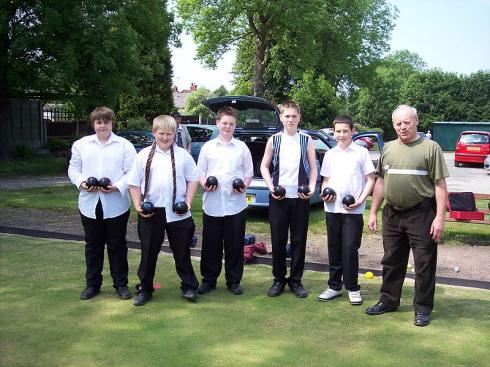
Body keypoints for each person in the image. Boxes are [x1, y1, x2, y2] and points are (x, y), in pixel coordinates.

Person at [366, 105, 448, 327]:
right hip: (392, 214)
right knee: (391, 261)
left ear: (416, 121)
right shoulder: (388, 148)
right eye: (398, 123)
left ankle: (422, 309)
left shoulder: (431, 148)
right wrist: (373, 211)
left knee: (424, 264)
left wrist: (439, 217)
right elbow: (380, 182)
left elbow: (440, 184)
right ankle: (389, 301)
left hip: (421, 214)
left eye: (407, 122)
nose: (403, 127)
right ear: (393, 125)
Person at [127, 115, 200, 306]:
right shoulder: (142, 155)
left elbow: (193, 179)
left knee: (182, 252)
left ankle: (189, 286)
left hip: (179, 212)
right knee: (148, 252)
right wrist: (137, 205)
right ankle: (145, 289)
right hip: (151, 212)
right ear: (154, 133)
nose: (165, 138)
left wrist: (188, 202)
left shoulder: (184, 155)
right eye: (161, 134)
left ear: (175, 134)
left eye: (169, 134)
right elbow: (133, 184)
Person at [68, 106, 136, 301]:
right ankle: (92, 285)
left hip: (116, 203)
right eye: (99, 122)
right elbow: (74, 169)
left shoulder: (124, 145)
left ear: (111, 123)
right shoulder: (81, 145)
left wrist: (117, 186)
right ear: (93, 124)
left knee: (117, 245)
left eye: (106, 122)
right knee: (93, 245)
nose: (103, 125)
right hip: (89, 203)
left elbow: (131, 172)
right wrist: (81, 183)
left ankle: (121, 285)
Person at [260, 100, 317, 298]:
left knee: (299, 240)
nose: (290, 119)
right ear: (281, 118)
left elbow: (314, 167)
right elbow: (264, 167)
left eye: (294, 116)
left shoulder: (306, 140)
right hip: (279, 197)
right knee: (278, 240)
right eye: (287, 116)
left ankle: (296, 281)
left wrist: (310, 187)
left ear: (299, 117)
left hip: (300, 198)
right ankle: (278, 280)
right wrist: (270, 187)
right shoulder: (274, 140)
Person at [318, 115, 375, 305]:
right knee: (334, 248)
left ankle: (352, 288)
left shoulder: (361, 153)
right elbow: (325, 180)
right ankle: (334, 286)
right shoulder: (330, 154)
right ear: (333, 132)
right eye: (338, 131)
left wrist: (360, 200)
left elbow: (371, 179)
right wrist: (323, 193)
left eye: (345, 131)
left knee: (350, 249)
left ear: (352, 132)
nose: (341, 135)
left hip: (353, 210)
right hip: (332, 209)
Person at [196, 106, 254, 295]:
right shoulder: (208, 147)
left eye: (231, 123)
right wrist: (205, 184)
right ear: (217, 123)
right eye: (224, 123)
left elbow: (248, 173)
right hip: (212, 204)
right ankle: (208, 280)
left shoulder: (242, 148)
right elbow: (201, 173)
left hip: (235, 205)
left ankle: (233, 281)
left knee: (235, 245)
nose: (227, 126)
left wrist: (244, 186)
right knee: (210, 245)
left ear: (235, 125)